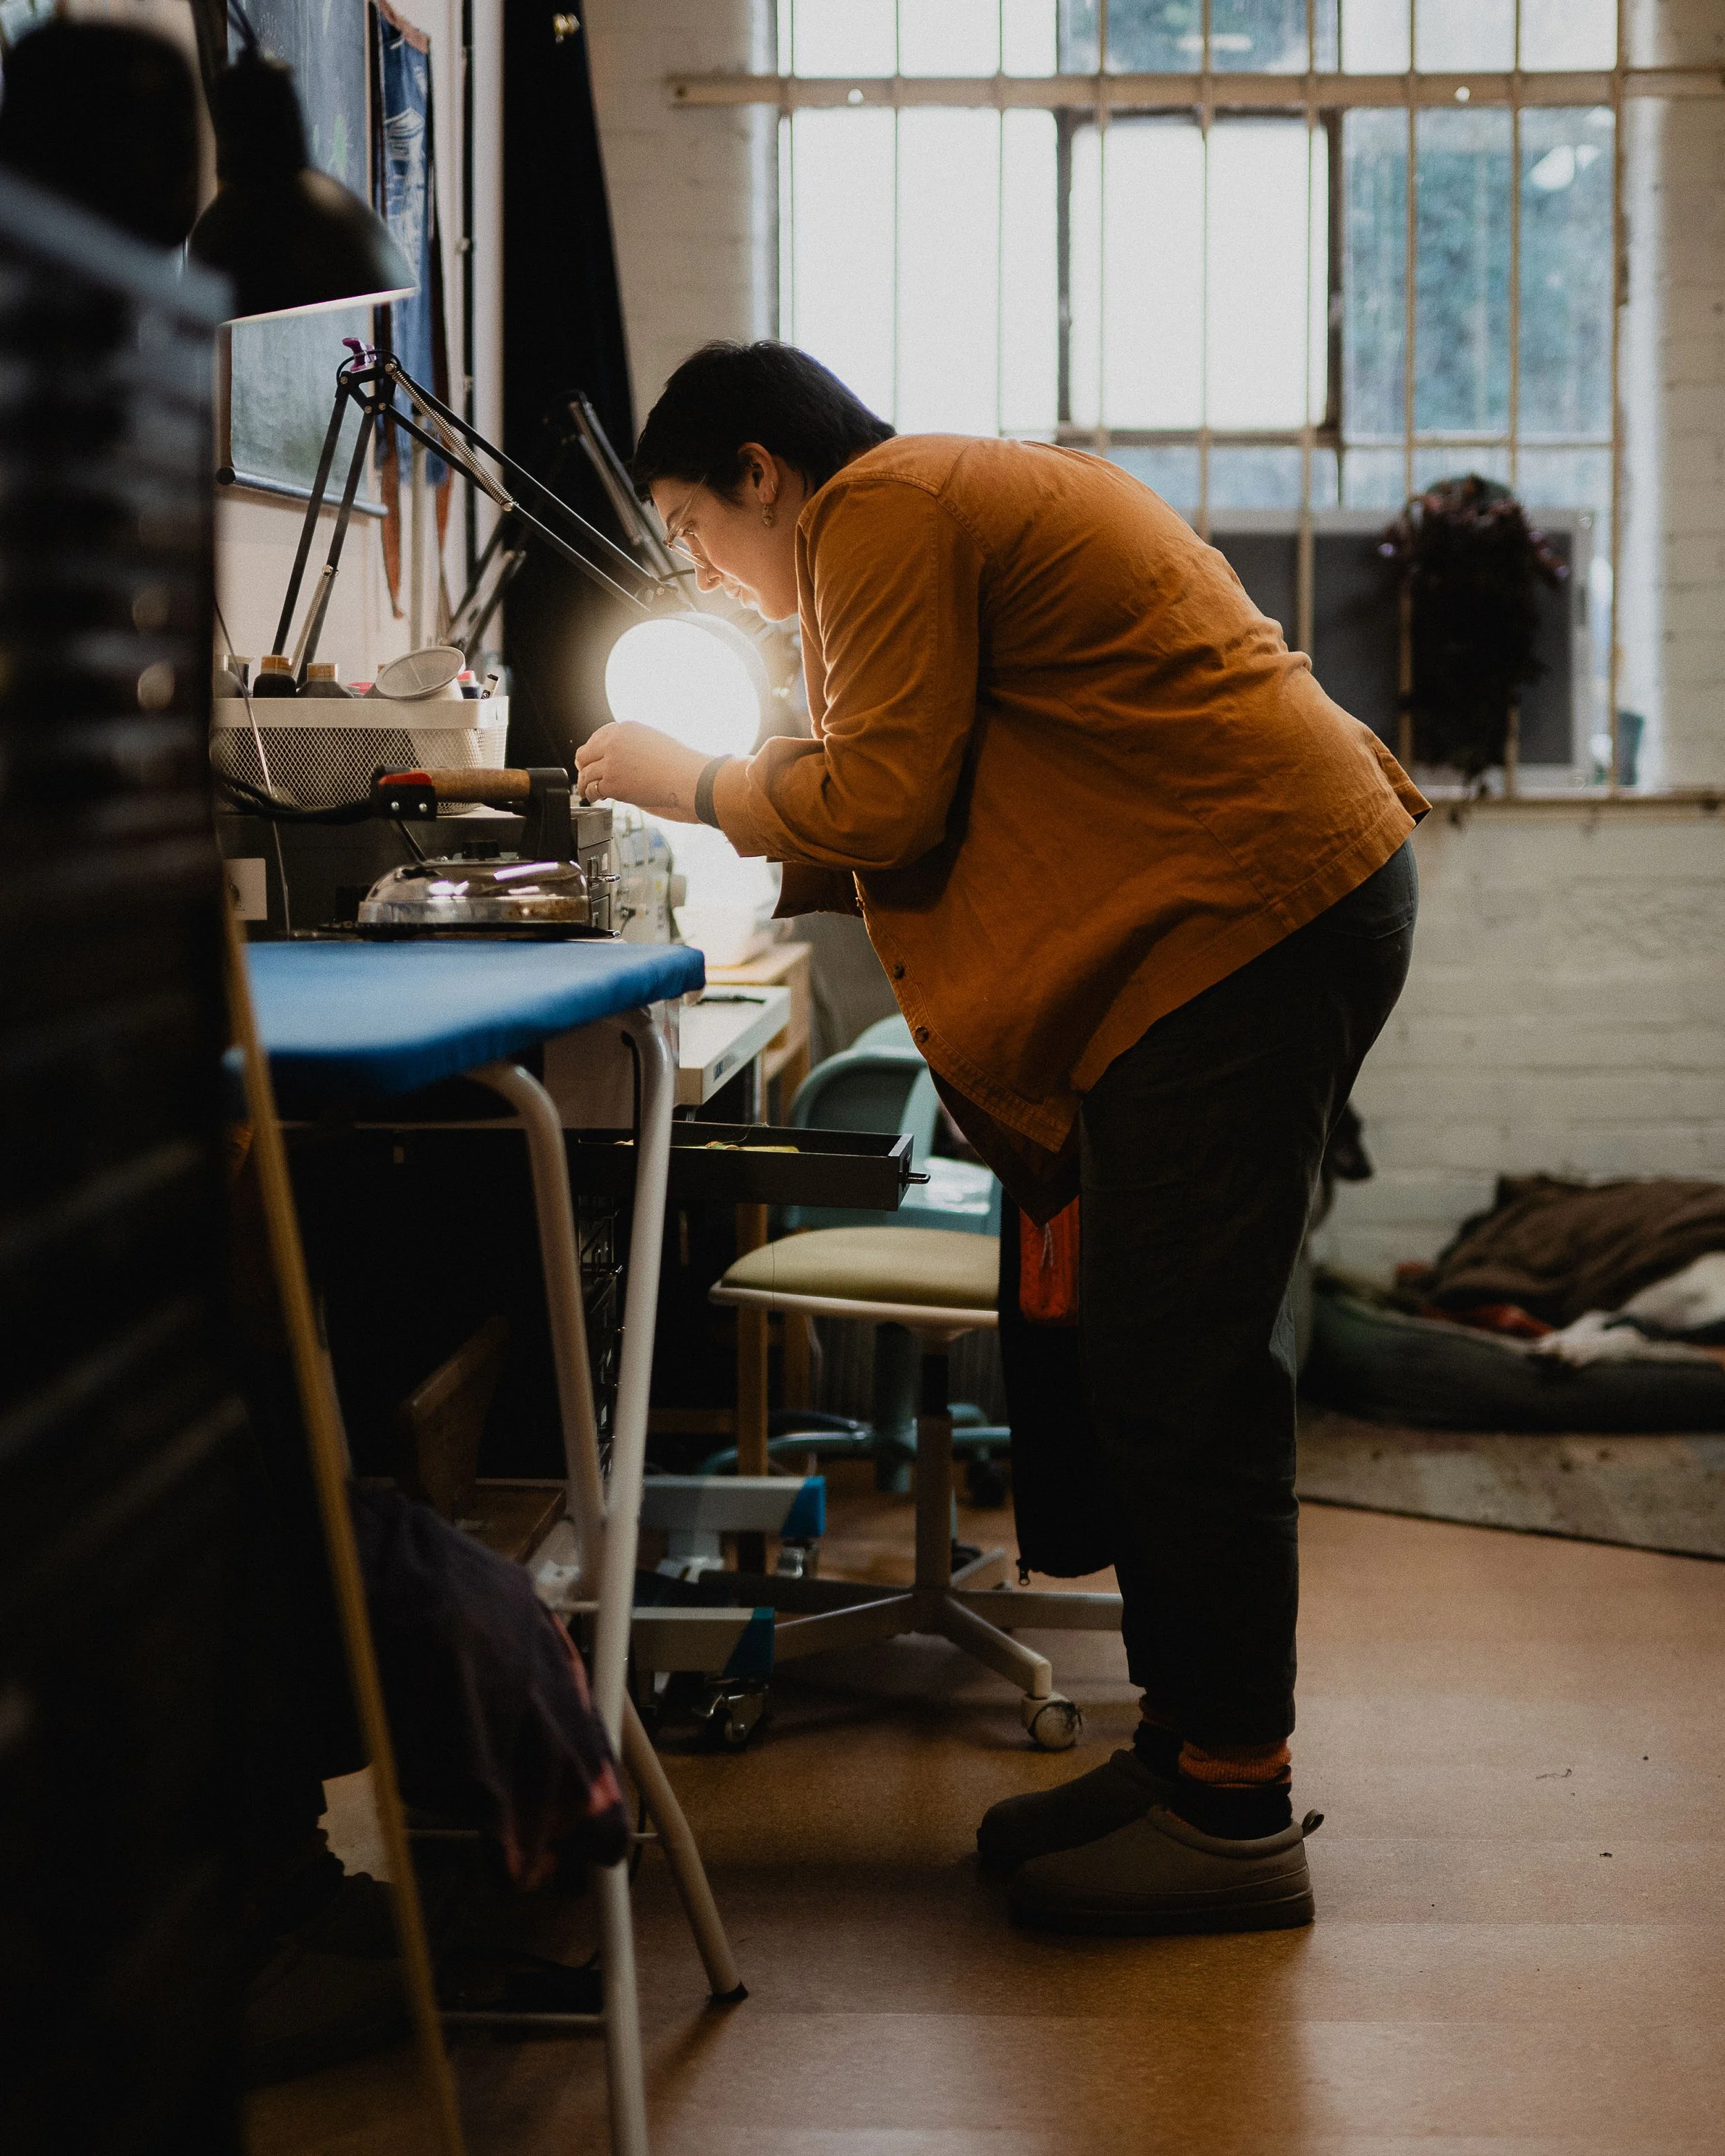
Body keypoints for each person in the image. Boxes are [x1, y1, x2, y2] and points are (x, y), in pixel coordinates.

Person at [575, 340, 1424, 1936]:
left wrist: (691, 778)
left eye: (694, 522)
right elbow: (942, 785)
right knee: (1140, 1352)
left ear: (762, 470)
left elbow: (888, 800)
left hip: (1241, 923)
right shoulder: (919, 507)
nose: (701, 566)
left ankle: (1233, 1810)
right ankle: (1181, 1751)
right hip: (1239, 917)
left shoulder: (881, 510)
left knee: (1181, 1364)